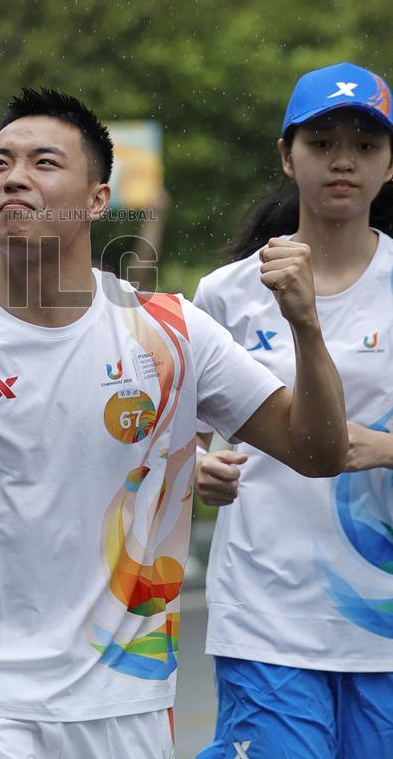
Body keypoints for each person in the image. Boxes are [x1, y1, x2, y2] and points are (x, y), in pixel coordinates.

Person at [0, 88, 348, 759]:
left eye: (43, 162)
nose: (14, 177)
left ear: (97, 199)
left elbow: (317, 452)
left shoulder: (172, 334)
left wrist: (306, 328)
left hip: (126, 701)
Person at [193, 62, 393, 758]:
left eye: (365, 145)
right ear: (286, 155)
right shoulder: (226, 294)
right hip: (266, 614)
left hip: (383, 617)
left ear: (390, 164)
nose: (343, 160)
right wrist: (196, 468)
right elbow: (176, 435)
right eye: (321, 142)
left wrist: (381, 447)